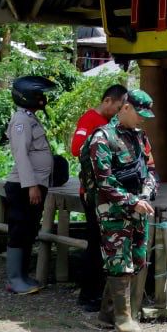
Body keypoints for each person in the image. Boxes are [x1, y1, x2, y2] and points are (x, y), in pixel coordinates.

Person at [88, 89, 158, 332]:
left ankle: (107, 314)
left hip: (139, 205)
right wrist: (131, 201)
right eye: (140, 114)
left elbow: (150, 169)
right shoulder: (102, 138)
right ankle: (122, 318)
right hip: (113, 209)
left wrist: (147, 192)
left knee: (137, 258)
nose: (143, 119)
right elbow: (104, 181)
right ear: (125, 108)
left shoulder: (139, 137)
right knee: (118, 260)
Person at [71, 83, 128, 312]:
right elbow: (76, 148)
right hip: (93, 193)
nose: (119, 110)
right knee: (95, 244)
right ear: (107, 101)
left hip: (108, 194)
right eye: (118, 106)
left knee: (103, 244)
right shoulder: (90, 120)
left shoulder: (111, 124)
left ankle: (97, 291)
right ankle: (88, 295)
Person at [5, 75, 58, 294]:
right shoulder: (21, 120)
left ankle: (23, 276)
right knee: (19, 229)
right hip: (23, 186)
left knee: (28, 230)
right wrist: (31, 185)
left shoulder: (30, 118)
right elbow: (21, 155)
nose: (42, 98)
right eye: (38, 94)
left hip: (35, 184)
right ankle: (14, 279)